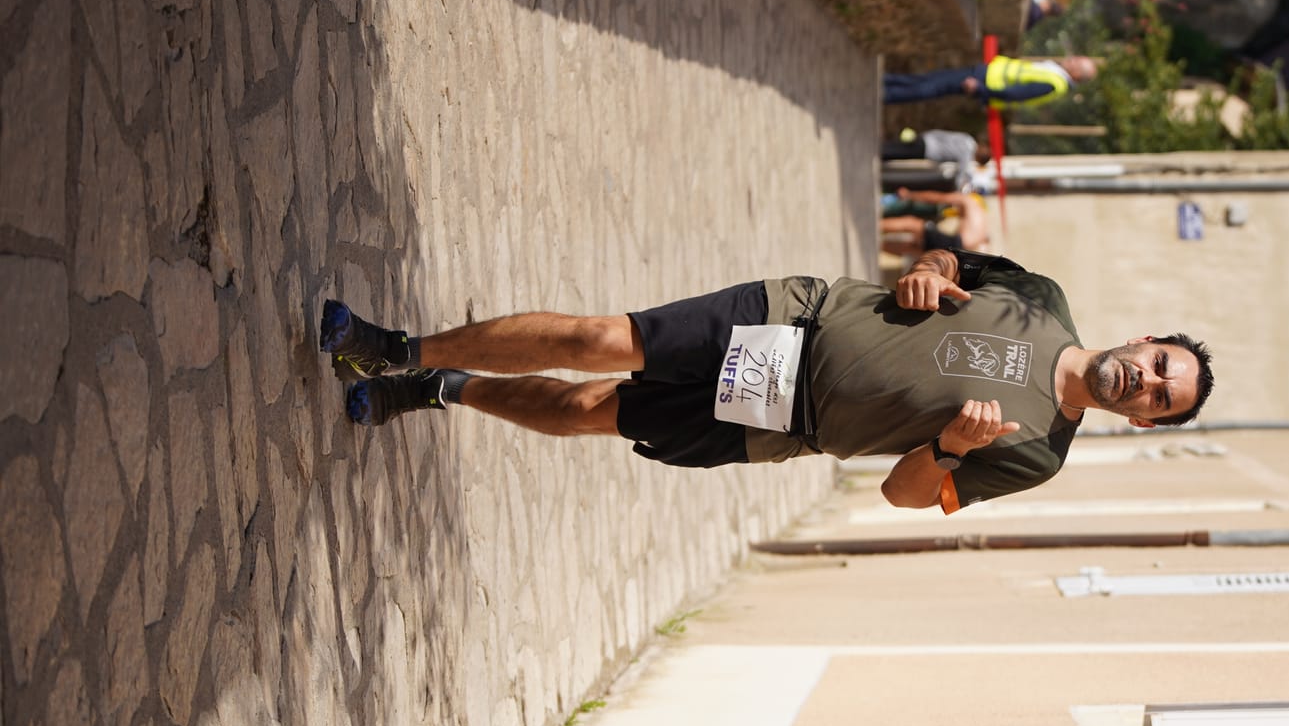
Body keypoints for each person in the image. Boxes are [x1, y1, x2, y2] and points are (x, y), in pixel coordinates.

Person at [320, 249, 1214, 512]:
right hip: (796, 318)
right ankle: (402, 347)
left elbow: (906, 495)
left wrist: (948, 448)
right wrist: (930, 269)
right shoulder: (1043, 298)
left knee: (593, 409)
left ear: (1141, 423)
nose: (1146, 381)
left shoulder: (1037, 458)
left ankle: (443, 390)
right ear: (1144, 338)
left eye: (1159, 399)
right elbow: (945, 255)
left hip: (781, 418)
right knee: (605, 337)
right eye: (1161, 365)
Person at [882, 55, 1099, 109]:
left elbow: (1016, 94)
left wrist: (980, 89)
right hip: (983, 73)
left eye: (1076, 62)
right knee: (930, 78)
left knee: (931, 87)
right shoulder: (1055, 72)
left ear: (1077, 75)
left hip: (982, 82)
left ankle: (887, 95)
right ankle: (887, 82)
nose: (1071, 59)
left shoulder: (1054, 84)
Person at [880, 188, 989, 256]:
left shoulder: (968, 201)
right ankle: (879, 246)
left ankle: (875, 227)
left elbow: (937, 198)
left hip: (955, 243)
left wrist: (910, 194)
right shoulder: (981, 223)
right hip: (957, 253)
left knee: (912, 224)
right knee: (913, 247)